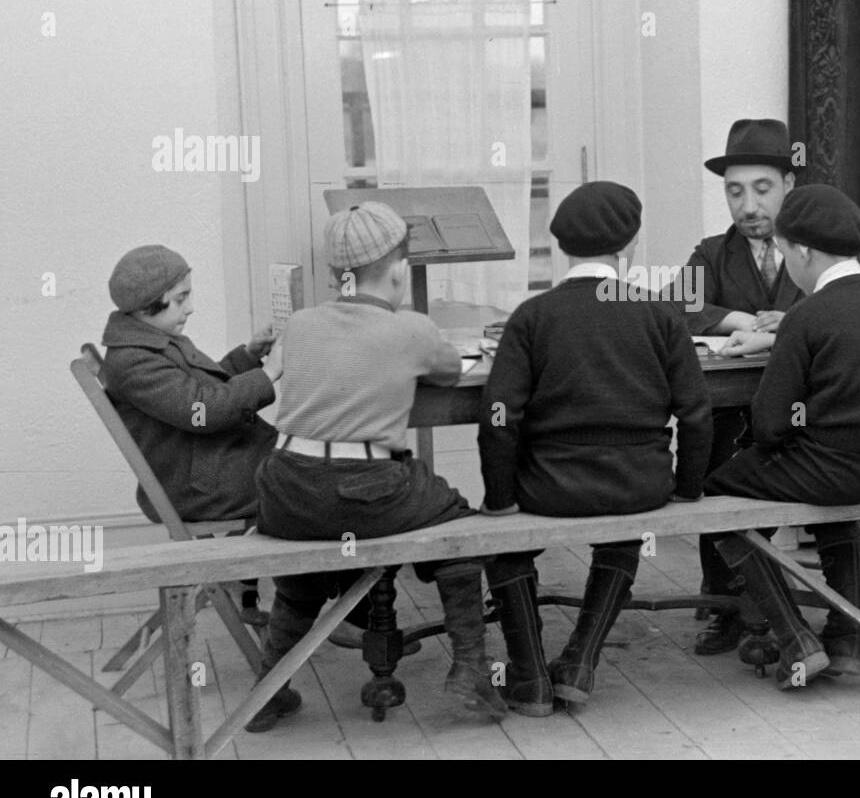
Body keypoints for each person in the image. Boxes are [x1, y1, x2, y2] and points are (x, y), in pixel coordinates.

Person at [244, 202, 506, 732]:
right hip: (362, 486)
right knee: (459, 523)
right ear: (397, 269)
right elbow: (452, 371)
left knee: (305, 566)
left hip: (285, 488)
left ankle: (268, 689)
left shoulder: (298, 324)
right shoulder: (409, 329)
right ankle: (471, 670)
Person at [479, 182, 712, 716]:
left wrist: (499, 500)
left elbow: (498, 419)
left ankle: (531, 677)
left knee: (501, 538)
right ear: (629, 245)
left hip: (550, 488)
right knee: (623, 528)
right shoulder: (661, 315)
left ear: (563, 247)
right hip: (641, 485)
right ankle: (581, 659)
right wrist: (688, 490)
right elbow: (697, 413)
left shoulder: (533, 316)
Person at [706, 185, 860, 689]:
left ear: (803, 250)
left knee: (718, 498)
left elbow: (769, 424)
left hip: (843, 470)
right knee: (827, 472)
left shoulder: (808, 315)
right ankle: (847, 636)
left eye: (785, 252)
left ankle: (796, 639)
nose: (787, 264)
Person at [677, 119, 803, 660]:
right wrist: (742, 323)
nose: (748, 205)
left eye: (761, 188)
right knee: (710, 462)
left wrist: (790, 324)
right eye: (734, 191)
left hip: (804, 414)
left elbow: (851, 300)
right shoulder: (711, 253)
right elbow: (674, 307)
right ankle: (726, 604)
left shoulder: (819, 246)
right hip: (730, 414)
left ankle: (776, 603)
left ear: (788, 186)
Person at [100, 244, 278, 626]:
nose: (190, 307)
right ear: (149, 304)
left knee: (314, 464)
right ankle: (329, 605)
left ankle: (248, 581)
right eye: (181, 298)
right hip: (203, 487)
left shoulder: (148, 340)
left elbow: (200, 390)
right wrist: (270, 374)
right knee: (317, 478)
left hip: (207, 470)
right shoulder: (134, 360)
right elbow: (204, 411)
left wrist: (251, 354)